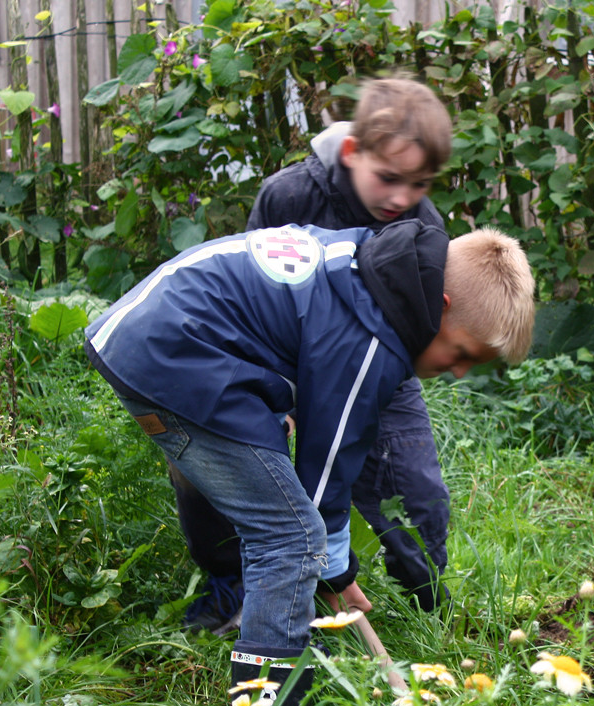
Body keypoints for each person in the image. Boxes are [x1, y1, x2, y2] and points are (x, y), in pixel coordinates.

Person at [85, 220, 535, 706]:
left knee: (265, 492)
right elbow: (327, 471)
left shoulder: (376, 266)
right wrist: (334, 574)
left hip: (152, 337)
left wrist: (330, 573)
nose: (458, 372)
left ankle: (262, 624)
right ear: (443, 306)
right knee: (291, 538)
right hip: (179, 354)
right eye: (462, 354)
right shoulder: (374, 337)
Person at [179, 77, 456, 633]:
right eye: (389, 178)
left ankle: (424, 599)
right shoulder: (289, 196)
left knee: (416, 489)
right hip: (279, 364)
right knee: (214, 471)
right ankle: (233, 587)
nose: (402, 198)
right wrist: (273, 402)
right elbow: (252, 288)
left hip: (379, 370)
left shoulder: (422, 225)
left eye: (420, 184)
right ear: (353, 151)